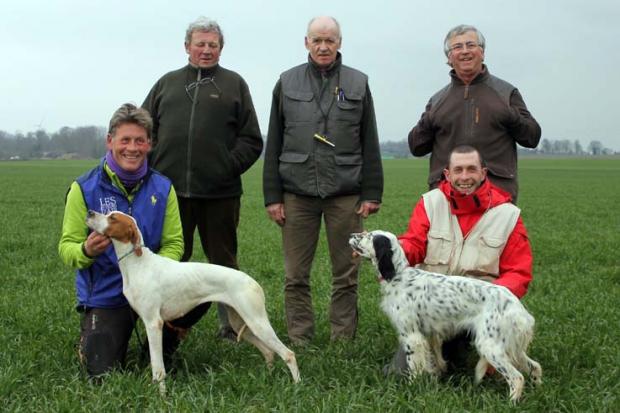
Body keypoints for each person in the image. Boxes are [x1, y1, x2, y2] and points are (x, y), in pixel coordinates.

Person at [263, 16, 384, 344]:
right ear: (306, 43)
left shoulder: (358, 83)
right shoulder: (286, 82)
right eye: (317, 40)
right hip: (296, 194)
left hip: (346, 194)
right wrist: (273, 197)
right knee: (295, 275)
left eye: (330, 40)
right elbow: (273, 141)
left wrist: (372, 191)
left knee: (346, 274)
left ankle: (342, 340)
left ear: (339, 43)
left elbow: (369, 140)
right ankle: (300, 338)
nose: (323, 46)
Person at [142, 17, 263, 340]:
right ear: (187, 47)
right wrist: (152, 172)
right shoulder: (166, 84)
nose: (206, 50)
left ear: (220, 49)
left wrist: (226, 165)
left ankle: (233, 327)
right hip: (170, 194)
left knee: (223, 263)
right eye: (200, 44)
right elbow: (144, 130)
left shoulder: (234, 84)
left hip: (220, 194)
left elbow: (252, 140)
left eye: (212, 45)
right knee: (170, 259)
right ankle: (167, 324)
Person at [58, 103, 195, 377]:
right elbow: (67, 247)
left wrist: (154, 275)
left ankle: (158, 350)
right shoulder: (83, 188)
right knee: (102, 372)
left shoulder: (163, 187)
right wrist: (86, 250)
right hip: (108, 294)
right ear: (110, 141)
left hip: (155, 288)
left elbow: (174, 243)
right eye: (125, 140)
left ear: (149, 144)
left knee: (200, 292)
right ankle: (95, 337)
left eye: (140, 141)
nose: (132, 148)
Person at [384, 145, 533, 375]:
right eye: (458, 170)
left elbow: (518, 272)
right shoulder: (430, 203)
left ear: (483, 173)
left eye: (471, 169)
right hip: (434, 311)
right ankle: (444, 352)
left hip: (479, 311)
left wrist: (491, 305)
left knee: (485, 371)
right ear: (447, 174)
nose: (465, 177)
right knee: (402, 373)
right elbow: (413, 244)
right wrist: (387, 252)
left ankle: (476, 350)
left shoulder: (507, 215)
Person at [408, 24, 541, 203]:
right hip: (446, 198)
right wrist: (430, 119)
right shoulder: (438, 100)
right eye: (457, 47)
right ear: (449, 57)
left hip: (496, 196)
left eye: (471, 45)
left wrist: (509, 114)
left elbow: (532, 137)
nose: (464, 51)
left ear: (482, 52)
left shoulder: (506, 93)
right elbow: (416, 147)